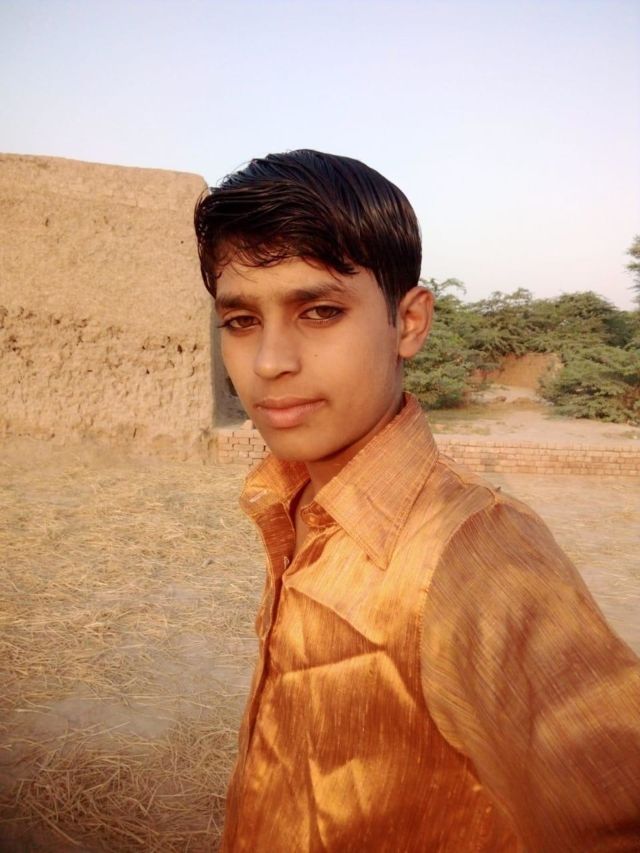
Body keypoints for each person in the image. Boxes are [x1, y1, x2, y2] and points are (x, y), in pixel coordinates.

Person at [194, 150, 640, 852]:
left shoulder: (474, 556)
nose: (271, 361)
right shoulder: (294, 496)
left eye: (320, 311)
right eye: (242, 320)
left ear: (408, 323)